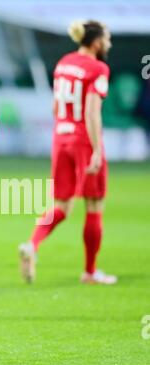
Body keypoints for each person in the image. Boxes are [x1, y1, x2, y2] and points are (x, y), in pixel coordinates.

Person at [19, 20, 117, 285]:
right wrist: (97, 149)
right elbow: (91, 110)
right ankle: (90, 271)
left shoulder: (64, 63)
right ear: (96, 42)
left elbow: (55, 106)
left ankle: (32, 244)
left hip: (60, 137)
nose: (108, 43)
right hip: (84, 139)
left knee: (62, 204)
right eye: (107, 39)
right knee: (94, 206)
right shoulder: (98, 68)